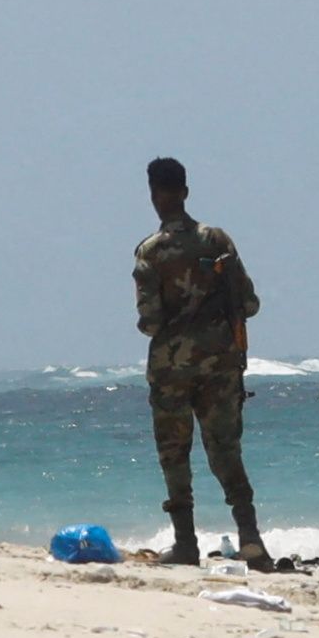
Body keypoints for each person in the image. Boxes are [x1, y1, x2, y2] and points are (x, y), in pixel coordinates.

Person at [131, 156, 269, 570]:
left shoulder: (150, 253)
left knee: (175, 452)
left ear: (154, 196)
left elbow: (149, 322)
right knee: (225, 448)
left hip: (171, 369)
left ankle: (186, 543)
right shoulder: (217, 241)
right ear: (186, 192)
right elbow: (249, 303)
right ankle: (250, 540)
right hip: (221, 363)